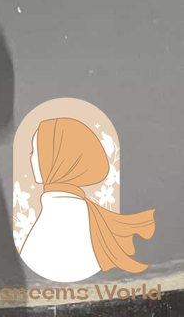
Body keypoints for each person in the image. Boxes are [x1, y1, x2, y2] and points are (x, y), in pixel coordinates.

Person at [19, 116, 155, 283]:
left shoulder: (60, 210)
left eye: (35, 151)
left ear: (57, 157)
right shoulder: (65, 206)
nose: (30, 157)